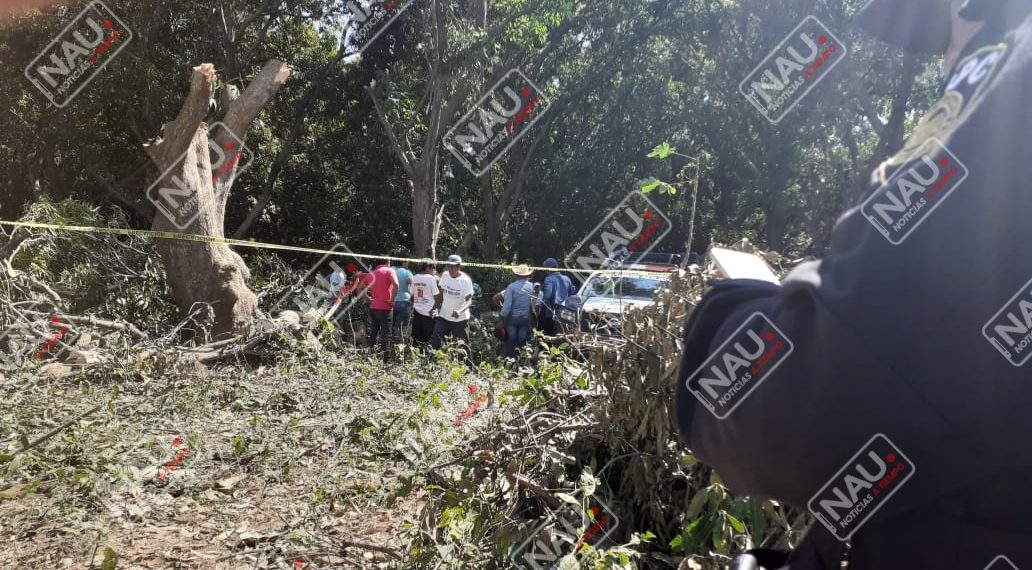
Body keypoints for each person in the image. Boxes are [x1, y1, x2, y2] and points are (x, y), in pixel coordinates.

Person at [676, 2, 1032, 569]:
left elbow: (814, 414)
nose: (946, 64)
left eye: (945, 38)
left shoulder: (1013, 81)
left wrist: (725, 316)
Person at [431, 255, 474, 354]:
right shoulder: (445, 276)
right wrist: (435, 308)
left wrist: (459, 311)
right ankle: (430, 365)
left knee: (463, 346)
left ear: (459, 267)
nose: (450, 268)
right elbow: (441, 293)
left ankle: (467, 368)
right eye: (449, 266)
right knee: (435, 342)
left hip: (460, 319)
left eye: (453, 266)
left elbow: (469, 301)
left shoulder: (465, 280)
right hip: (444, 316)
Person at [364, 259, 398, 362]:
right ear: (387, 262)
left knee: (373, 331)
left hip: (373, 307)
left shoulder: (371, 274)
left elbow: (360, 287)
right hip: (385, 308)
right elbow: (396, 284)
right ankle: (386, 359)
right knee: (385, 334)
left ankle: (370, 354)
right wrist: (392, 300)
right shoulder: (389, 271)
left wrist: (366, 298)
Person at [499, 264, 537, 358]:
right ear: (527, 275)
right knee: (522, 339)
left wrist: (501, 318)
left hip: (513, 318)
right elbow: (533, 303)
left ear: (516, 275)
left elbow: (507, 306)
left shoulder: (511, 287)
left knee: (511, 339)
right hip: (525, 317)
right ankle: (521, 360)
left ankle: (508, 360)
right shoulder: (531, 287)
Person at [536, 258, 576, 335]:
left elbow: (547, 295)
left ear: (548, 269)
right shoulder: (566, 278)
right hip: (565, 311)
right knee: (563, 331)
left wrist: (541, 303)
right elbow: (572, 291)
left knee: (547, 331)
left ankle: (545, 346)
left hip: (552, 311)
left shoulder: (549, 279)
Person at [409, 261, 440, 350]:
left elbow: (412, 295)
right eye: (432, 268)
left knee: (417, 338)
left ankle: (418, 358)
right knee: (430, 338)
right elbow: (437, 296)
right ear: (427, 268)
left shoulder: (414, 277)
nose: (433, 271)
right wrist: (434, 309)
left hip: (417, 312)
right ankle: (429, 359)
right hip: (429, 313)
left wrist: (418, 303)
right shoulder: (431, 278)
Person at [391, 258, 414, 344]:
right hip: (404, 301)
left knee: (391, 326)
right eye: (407, 261)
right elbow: (413, 286)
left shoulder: (390, 270)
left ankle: (391, 346)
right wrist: (411, 296)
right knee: (401, 328)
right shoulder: (407, 272)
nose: (407, 263)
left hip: (391, 302)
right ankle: (400, 348)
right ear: (403, 262)